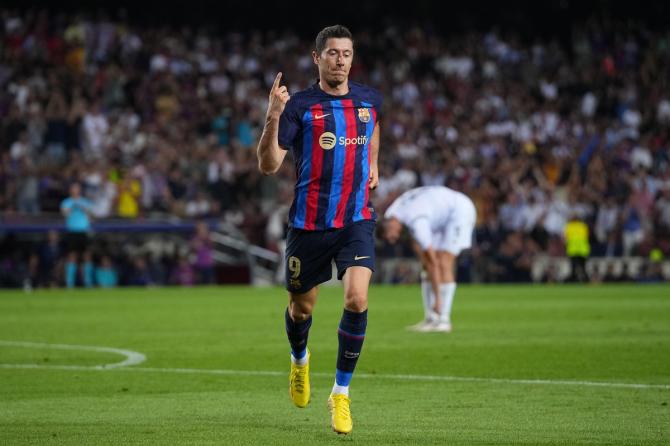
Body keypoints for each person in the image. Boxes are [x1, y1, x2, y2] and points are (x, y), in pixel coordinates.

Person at [256, 25, 382, 435]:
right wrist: (273, 115)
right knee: (301, 309)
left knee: (357, 298)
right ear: (317, 58)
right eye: (331, 53)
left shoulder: (367, 99)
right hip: (308, 224)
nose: (339, 60)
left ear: (352, 57)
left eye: (346, 53)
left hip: (356, 218)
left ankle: (341, 394)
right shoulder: (301, 107)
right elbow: (269, 164)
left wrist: (374, 163)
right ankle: (299, 361)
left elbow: (373, 125)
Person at [382, 186, 476, 333]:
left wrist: (437, 298)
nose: (394, 238)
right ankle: (431, 318)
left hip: (458, 211)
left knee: (444, 262)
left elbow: (433, 262)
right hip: (439, 214)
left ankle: (443, 319)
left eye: (393, 235)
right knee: (426, 265)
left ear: (391, 226)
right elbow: (427, 261)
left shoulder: (416, 221)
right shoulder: (391, 213)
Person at [60, 182, 94, 288]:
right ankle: (70, 283)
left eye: (77, 188)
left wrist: (84, 209)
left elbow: (90, 215)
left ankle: (88, 282)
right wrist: (73, 207)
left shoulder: (86, 202)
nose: (75, 190)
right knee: (72, 256)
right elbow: (65, 214)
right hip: (72, 231)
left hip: (83, 231)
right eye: (73, 188)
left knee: (87, 256)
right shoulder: (66, 202)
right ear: (70, 190)